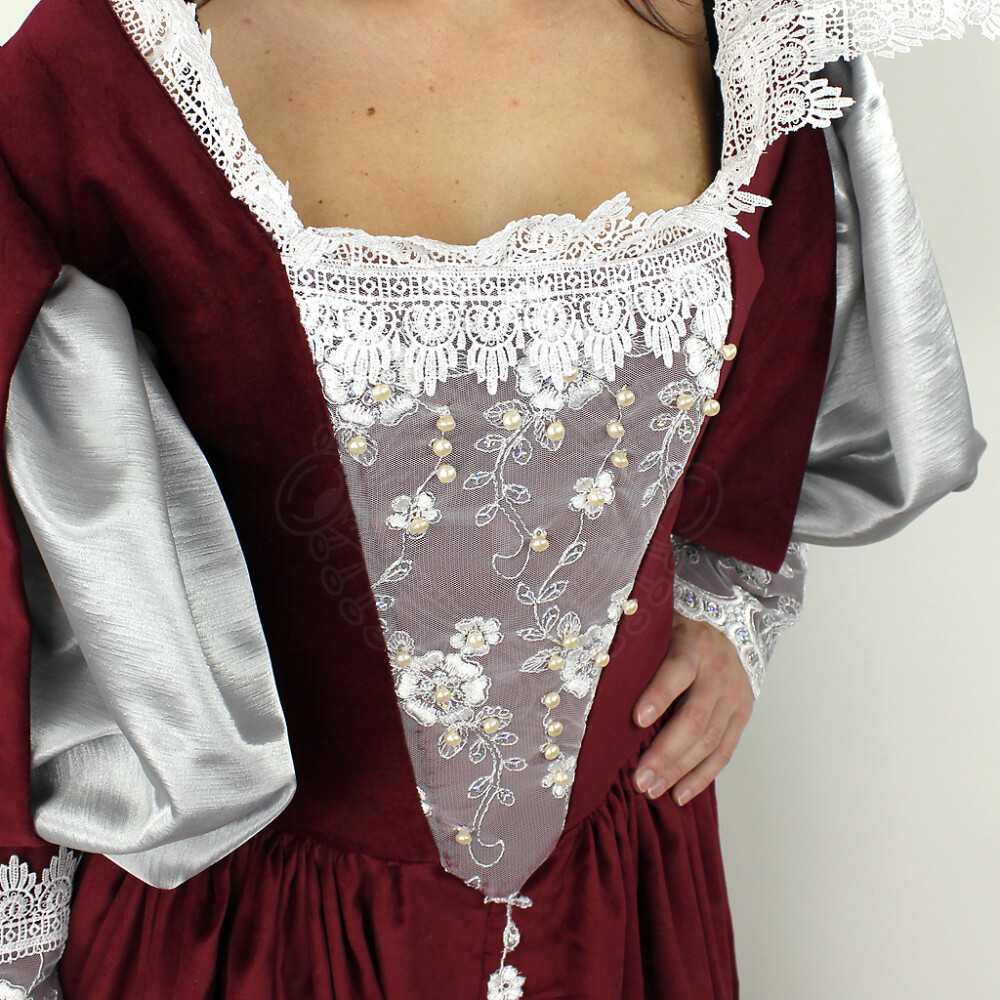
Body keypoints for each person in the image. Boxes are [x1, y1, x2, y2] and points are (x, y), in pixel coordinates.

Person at [0, 0, 991, 997]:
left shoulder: (749, 37)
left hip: (621, 903)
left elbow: (776, 358)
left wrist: (722, 601)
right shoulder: (112, 64)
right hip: (254, 932)